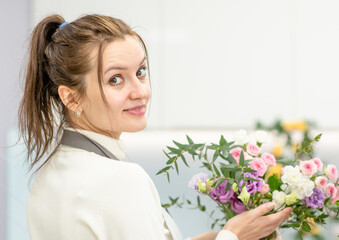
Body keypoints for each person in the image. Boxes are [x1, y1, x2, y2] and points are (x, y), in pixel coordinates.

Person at [18, 14, 292, 240]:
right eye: (115, 79)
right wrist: (231, 237)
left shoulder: (46, 177)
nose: (140, 91)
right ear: (71, 97)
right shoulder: (120, 179)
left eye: (140, 72)